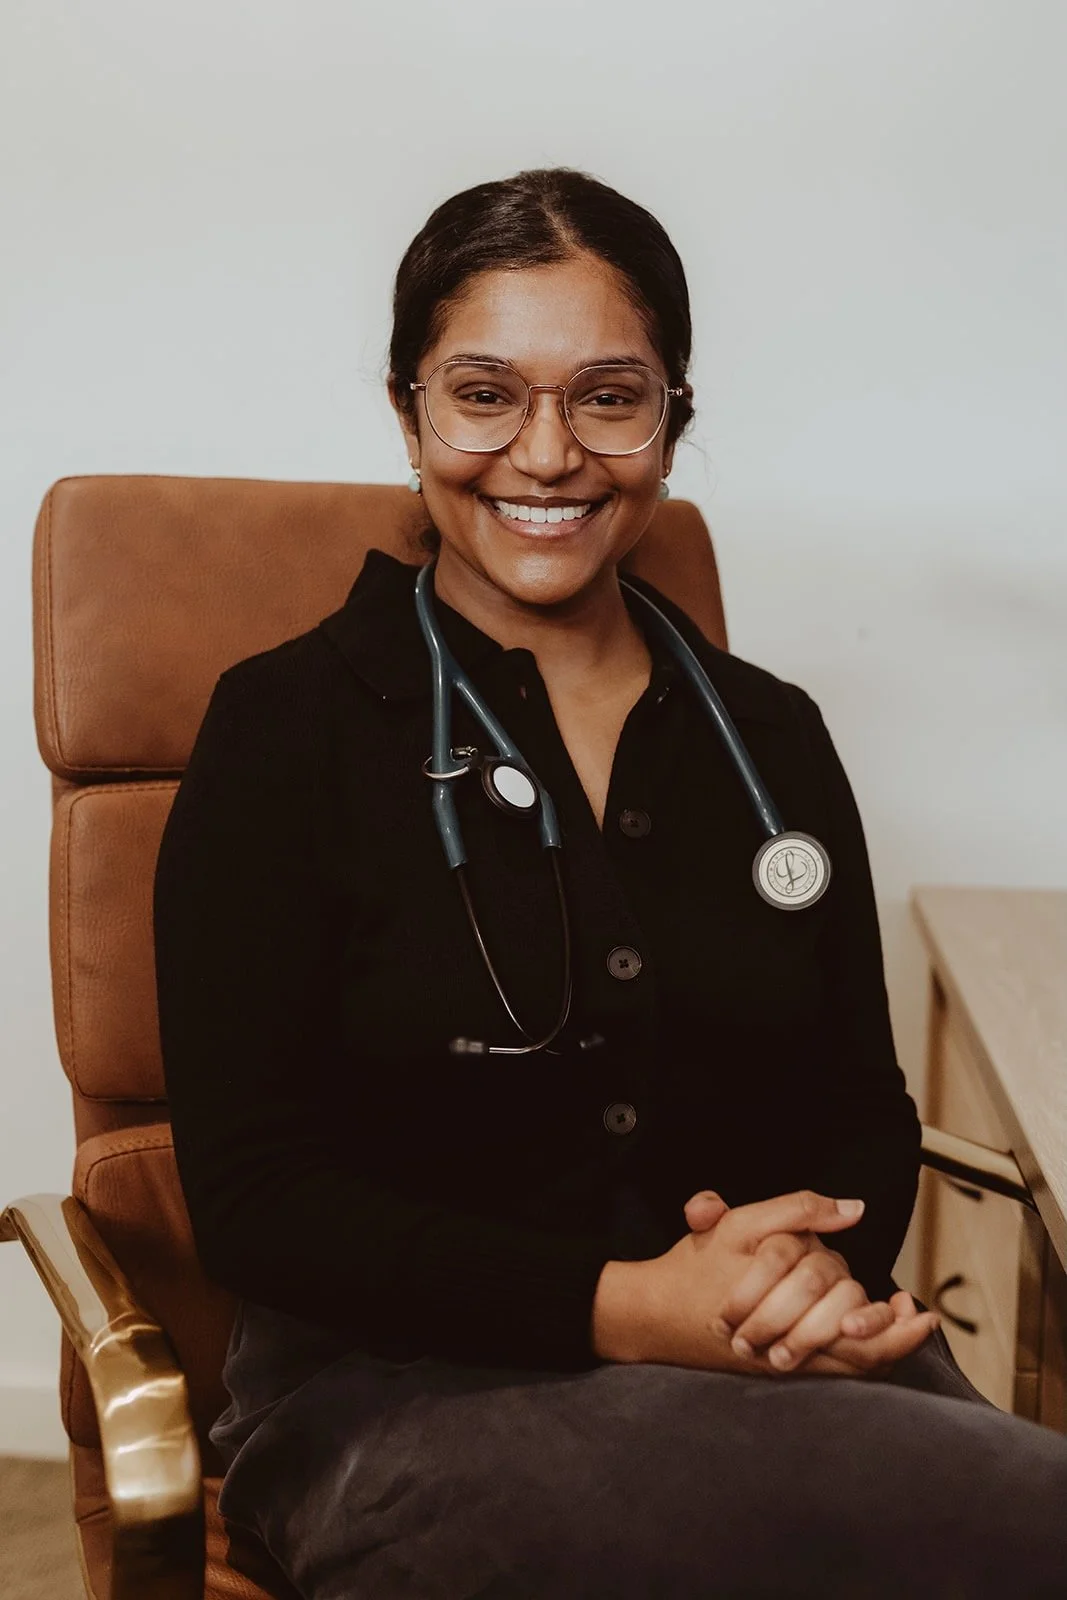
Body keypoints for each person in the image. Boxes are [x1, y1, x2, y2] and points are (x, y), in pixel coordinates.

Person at [154, 168, 1067, 1599]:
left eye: (607, 396)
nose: (546, 454)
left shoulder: (768, 736)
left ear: (673, 419)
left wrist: (792, 1280)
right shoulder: (285, 732)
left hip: (775, 1369)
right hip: (399, 1399)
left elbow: (857, 1106)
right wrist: (634, 1309)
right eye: (482, 394)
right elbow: (259, 1196)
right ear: (406, 410)